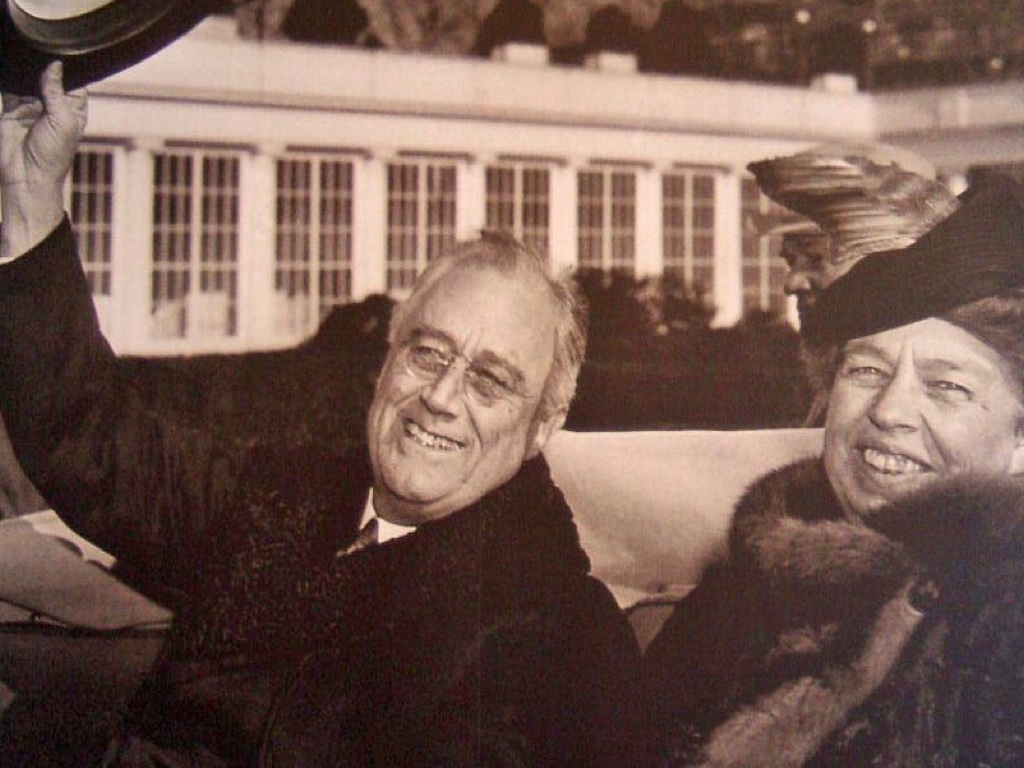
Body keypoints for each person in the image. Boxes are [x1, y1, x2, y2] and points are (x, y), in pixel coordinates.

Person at [0, 63, 643, 767]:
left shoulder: (560, 633)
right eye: (429, 353)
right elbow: (89, 438)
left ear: (542, 426)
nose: (441, 397)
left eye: (490, 381)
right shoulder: (276, 496)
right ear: (389, 355)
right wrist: (31, 199)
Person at [643, 172, 1024, 767]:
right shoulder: (730, 606)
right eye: (866, 371)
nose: (890, 410)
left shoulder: (1005, 628)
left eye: (947, 385)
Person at [749, 141, 961, 425]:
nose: (792, 283)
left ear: (891, 260)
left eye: (814, 259)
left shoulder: (950, 380)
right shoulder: (834, 380)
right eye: (791, 261)